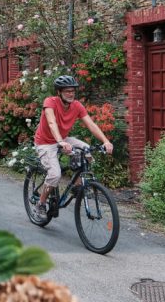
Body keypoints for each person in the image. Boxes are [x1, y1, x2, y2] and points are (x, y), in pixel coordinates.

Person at [33, 74, 113, 219]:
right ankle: (41, 203)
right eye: (67, 91)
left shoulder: (76, 105)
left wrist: (106, 141)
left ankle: (77, 186)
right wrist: (60, 142)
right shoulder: (50, 102)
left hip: (63, 138)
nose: (71, 94)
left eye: (73, 91)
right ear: (59, 92)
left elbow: (91, 124)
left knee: (87, 152)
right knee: (55, 175)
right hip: (45, 142)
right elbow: (52, 123)